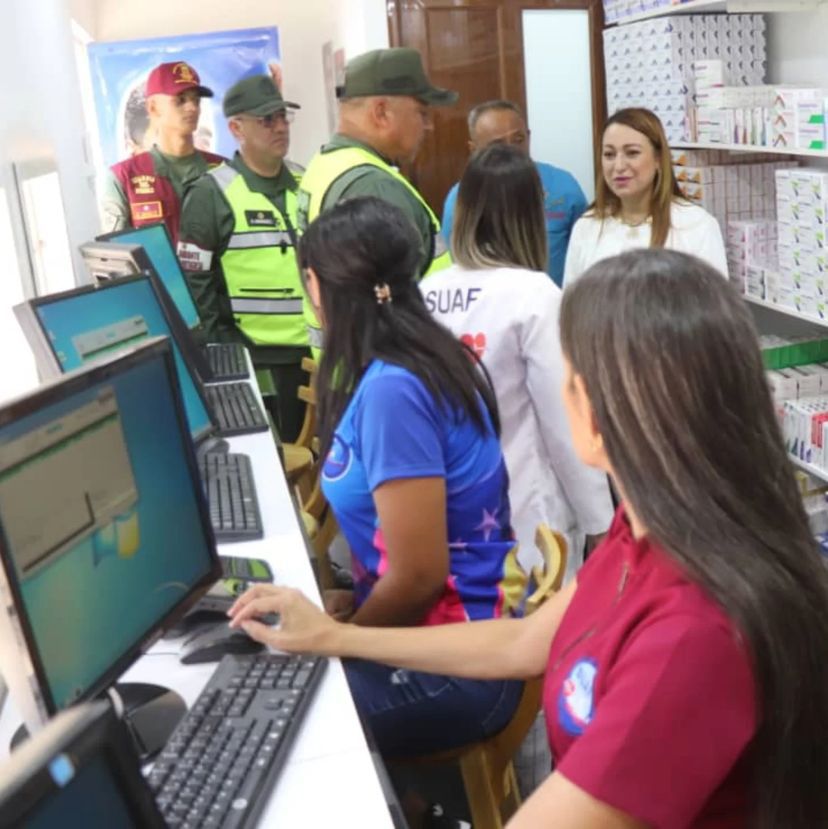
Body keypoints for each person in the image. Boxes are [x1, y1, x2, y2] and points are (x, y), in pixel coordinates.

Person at [230, 248, 828, 828]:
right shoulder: (652, 529)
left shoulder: (692, 633)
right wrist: (336, 637)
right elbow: (523, 642)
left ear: (594, 415)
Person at [282, 196, 526, 758]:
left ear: (321, 286)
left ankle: (411, 799)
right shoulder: (416, 359)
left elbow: (419, 577)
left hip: (456, 663)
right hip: (448, 641)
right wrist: (354, 604)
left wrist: (342, 639)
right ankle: (414, 800)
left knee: (279, 714)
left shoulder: (395, 389)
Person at [423, 143, 612, 578]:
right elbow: (565, 423)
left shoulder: (426, 293)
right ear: (530, 215)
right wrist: (600, 521)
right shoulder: (535, 297)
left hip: (443, 510)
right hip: (524, 521)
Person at [296, 47, 457, 351]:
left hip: (347, 365)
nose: (429, 125)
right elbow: (389, 316)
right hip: (393, 368)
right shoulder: (375, 187)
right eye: (421, 113)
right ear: (381, 112)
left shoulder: (325, 164)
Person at [177, 75, 308, 441]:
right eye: (267, 120)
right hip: (259, 362)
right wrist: (224, 358)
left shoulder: (306, 181)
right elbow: (196, 287)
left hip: (316, 352)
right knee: (280, 459)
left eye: (282, 117)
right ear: (236, 128)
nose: (280, 127)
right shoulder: (210, 194)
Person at [563, 108, 727, 284]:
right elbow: (572, 298)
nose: (618, 166)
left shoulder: (696, 225)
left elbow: (715, 300)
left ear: (658, 159)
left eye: (632, 153)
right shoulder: (587, 226)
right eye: (609, 155)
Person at [441, 100, 586, 287]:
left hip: (554, 300)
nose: (512, 151)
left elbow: (584, 253)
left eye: (518, 140)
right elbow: (456, 264)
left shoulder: (564, 186)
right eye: (497, 145)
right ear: (474, 150)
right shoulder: (460, 199)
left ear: (529, 137)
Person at [101, 61, 225, 246]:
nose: (192, 107)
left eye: (196, 100)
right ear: (153, 107)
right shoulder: (123, 177)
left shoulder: (224, 170)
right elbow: (117, 253)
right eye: (180, 99)